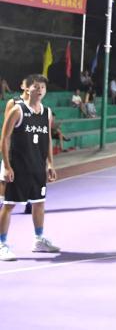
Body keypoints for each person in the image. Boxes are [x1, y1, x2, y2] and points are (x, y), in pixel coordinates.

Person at [0, 74, 60, 261]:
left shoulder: (47, 112)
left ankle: (39, 240)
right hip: (17, 166)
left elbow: (47, 138)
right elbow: (5, 138)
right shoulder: (17, 110)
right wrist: (7, 166)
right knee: (8, 205)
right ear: (26, 89)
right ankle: (1, 244)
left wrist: (50, 163)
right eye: (36, 86)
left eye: (43, 87)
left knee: (39, 203)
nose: (40, 89)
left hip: (37, 166)